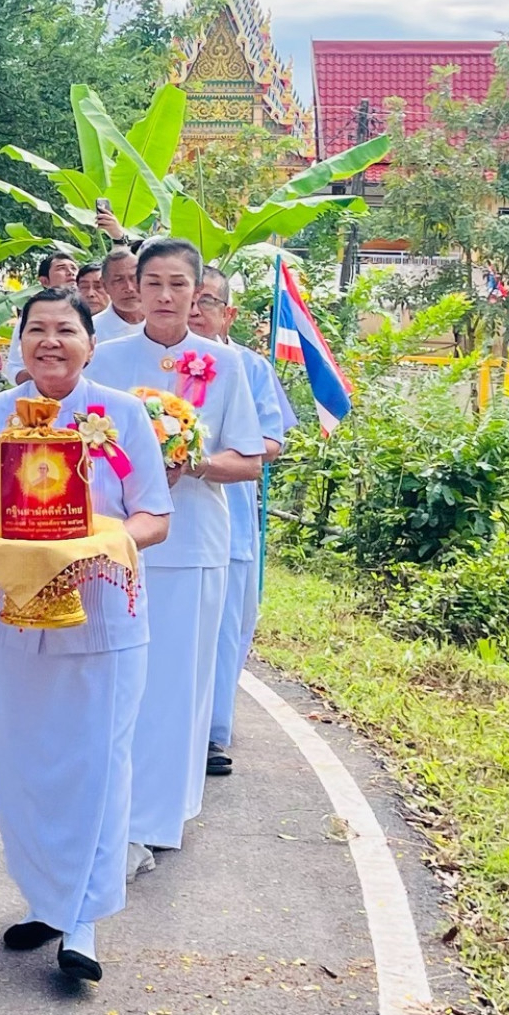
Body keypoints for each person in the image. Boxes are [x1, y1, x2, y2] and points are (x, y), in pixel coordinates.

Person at [0, 287, 171, 983]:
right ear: (18, 342)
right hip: (14, 619)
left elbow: (152, 515)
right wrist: (17, 552)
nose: (50, 340)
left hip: (102, 616)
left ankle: (83, 922)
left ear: (89, 342)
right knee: (24, 766)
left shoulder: (120, 415)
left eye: (64, 329)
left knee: (98, 766)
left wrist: (90, 550)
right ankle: (46, 898)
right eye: (36, 329)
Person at [84, 238, 263, 865]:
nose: (163, 295)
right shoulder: (103, 360)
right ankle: (106, 815)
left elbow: (248, 459)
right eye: (151, 282)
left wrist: (196, 462)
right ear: (129, 287)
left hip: (192, 545)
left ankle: (156, 821)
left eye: (177, 284)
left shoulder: (226, 364)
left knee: (175, 686)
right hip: (115, 543)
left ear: (196, 292)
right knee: (111, 684)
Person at [190, 269, 288, 780]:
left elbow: (271, 442)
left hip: (231, 520)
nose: (193, 308)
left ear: (227, 313)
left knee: (227, 628)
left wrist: (212, 454)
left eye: (206, 300)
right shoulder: (161, 359)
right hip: (167, 519)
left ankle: (212, 733)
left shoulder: (249, 367)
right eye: (189, 296)